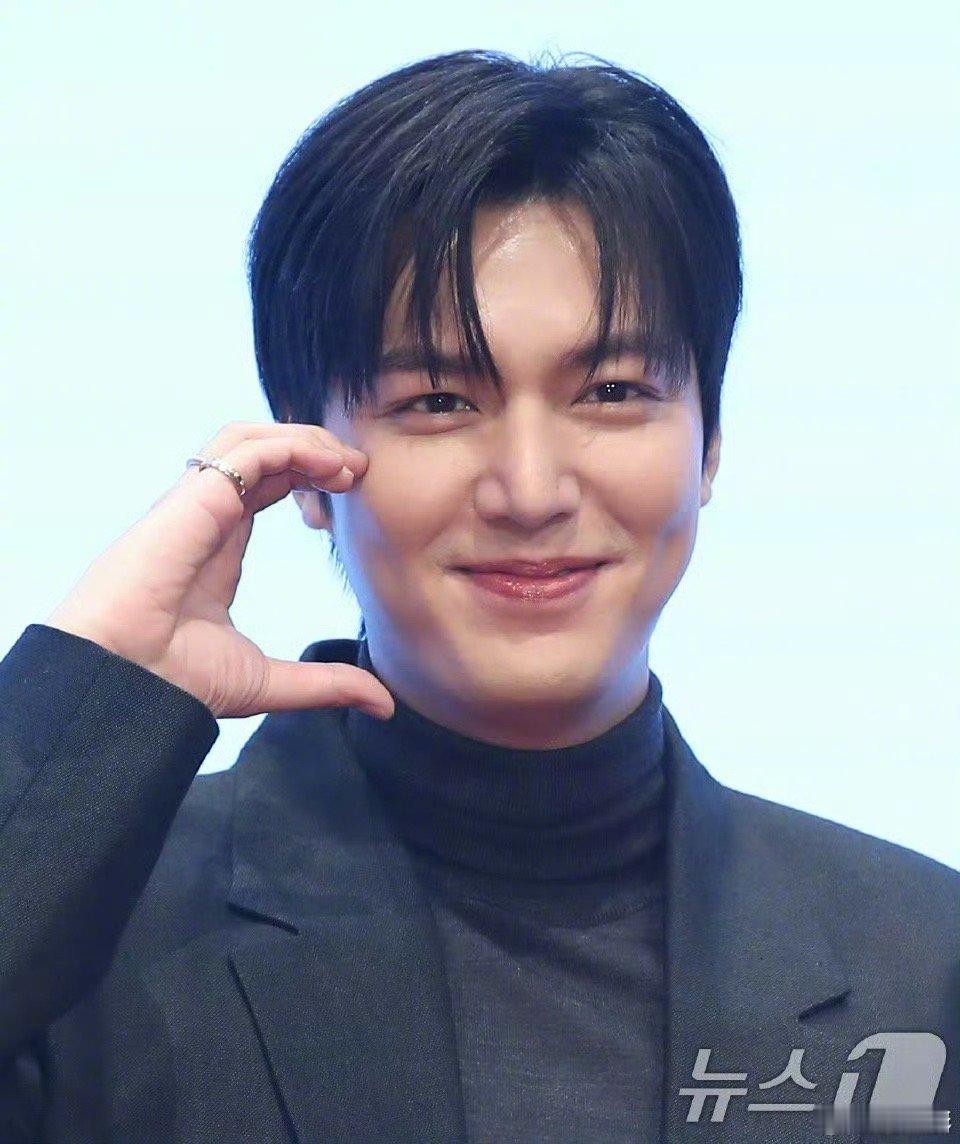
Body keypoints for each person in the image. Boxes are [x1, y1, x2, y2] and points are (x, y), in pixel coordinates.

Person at [0, 47, 955, 1144]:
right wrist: (83, 690)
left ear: (709, 444)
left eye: (613, 390)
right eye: (440, 401)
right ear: (304, 466)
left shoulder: (923, 963)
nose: (531, 490)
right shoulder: (95, 943)